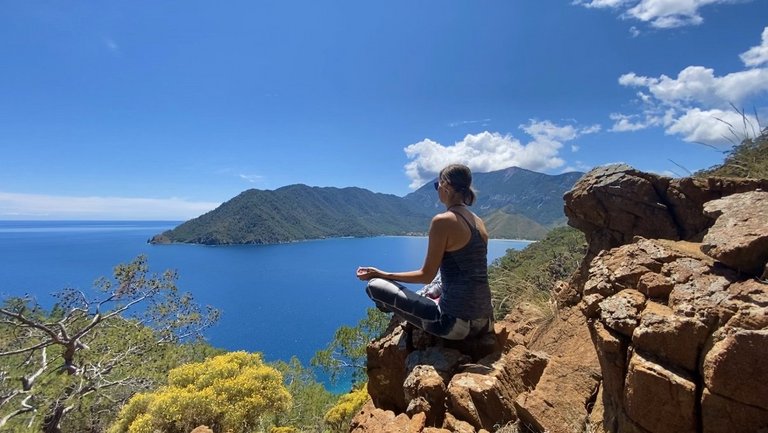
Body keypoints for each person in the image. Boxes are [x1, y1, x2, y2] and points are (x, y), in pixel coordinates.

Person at [356, 163, 494, 340]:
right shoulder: (478, 221)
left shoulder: (442, 221)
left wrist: (382, 274)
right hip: (485, 321)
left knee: (374, 286)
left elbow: (425, 275)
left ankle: (415, 299)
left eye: (437, 185)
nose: (437, 190)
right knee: (443, 275)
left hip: (454, 324)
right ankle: (429, 295)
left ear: (446, 186)